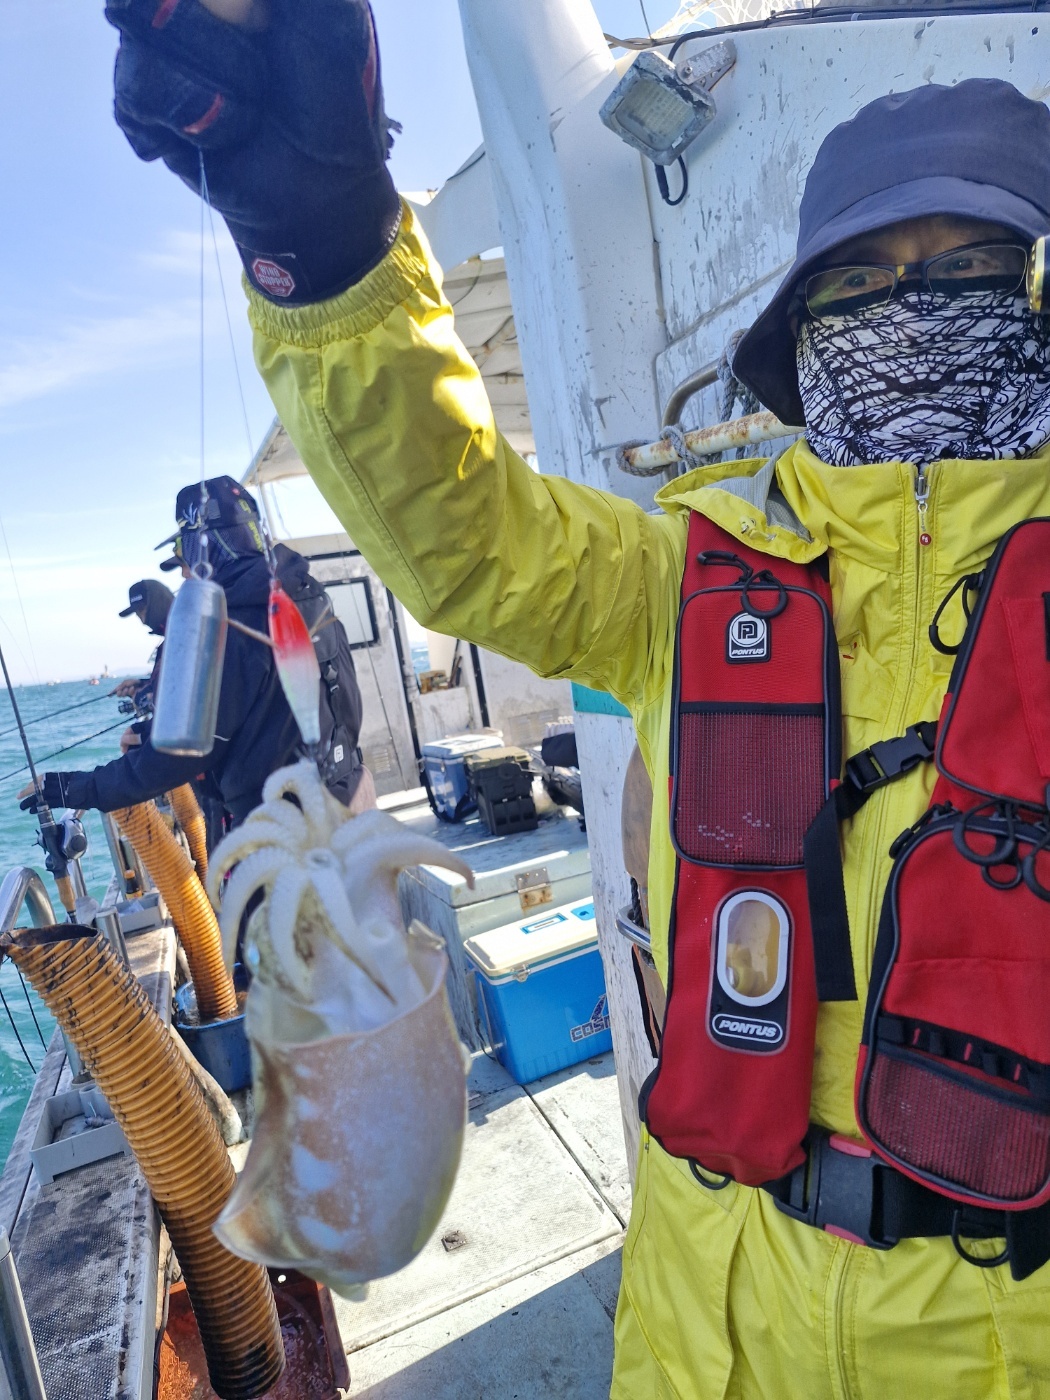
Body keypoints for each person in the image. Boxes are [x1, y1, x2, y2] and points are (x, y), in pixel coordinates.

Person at [106, 6, 1050, 1392]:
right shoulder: (684, 576)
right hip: (709, 1324)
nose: (910, 307)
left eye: (967, 269)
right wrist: (316, 244)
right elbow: (464, 533)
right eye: (859, 284)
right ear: (804, 334)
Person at [24, 474, 368, 825]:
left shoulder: (231, 626)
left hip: (286, 832)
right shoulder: (308, 593)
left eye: (183, 551)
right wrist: (150, 733)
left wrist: (78, 787)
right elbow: (280, 708)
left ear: (205, 546)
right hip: (350, 804)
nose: (184, 573)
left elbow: (178, 758)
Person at [112, 578, 174, 751]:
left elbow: (172, 695)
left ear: (157, 603)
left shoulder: (180, 638)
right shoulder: (170, 640)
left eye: (142, 610)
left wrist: (141, 696)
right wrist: (141, 684)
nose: (141, 620)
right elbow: (167, 680)